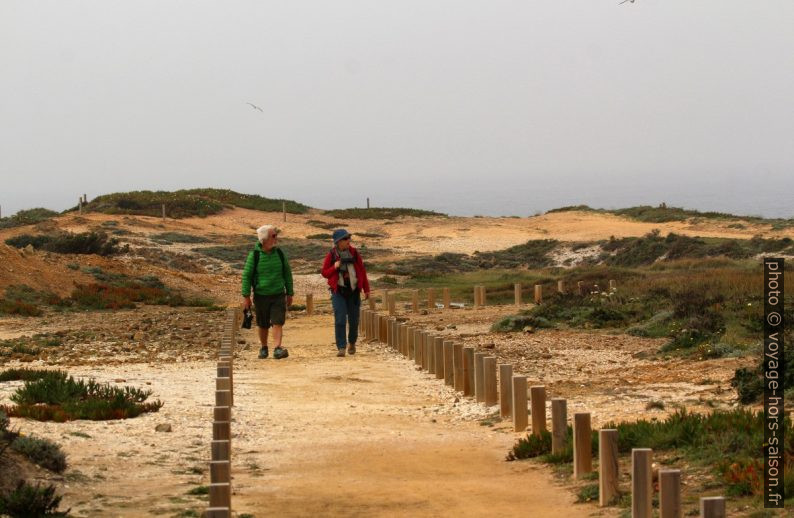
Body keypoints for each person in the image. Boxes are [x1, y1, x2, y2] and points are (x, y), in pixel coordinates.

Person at [241, 224, 294, 359]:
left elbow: (287, 273)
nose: (276, 239)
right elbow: (246, 276)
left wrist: (290, 293)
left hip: (278, 294)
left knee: (278, 321)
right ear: (264, 239)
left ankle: (277, 348)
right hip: (261, 295)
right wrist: (246, 296)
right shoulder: (254, 256)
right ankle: (264, 347)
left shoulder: (280, 254)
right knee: (262, 324)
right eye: (273, 236)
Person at [321, 229, 370, 357]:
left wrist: (366, 289)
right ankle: (341, 347)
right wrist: (335, 267)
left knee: (354, 320)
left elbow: (362, 271)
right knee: (340, 319)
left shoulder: (354, 253)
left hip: (353, 291)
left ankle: (352, 342)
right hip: (338, 291)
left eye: (349, 238)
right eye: (346, 238)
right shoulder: (331, 255)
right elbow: (324, 272)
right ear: (338, 242)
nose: (349, 240)